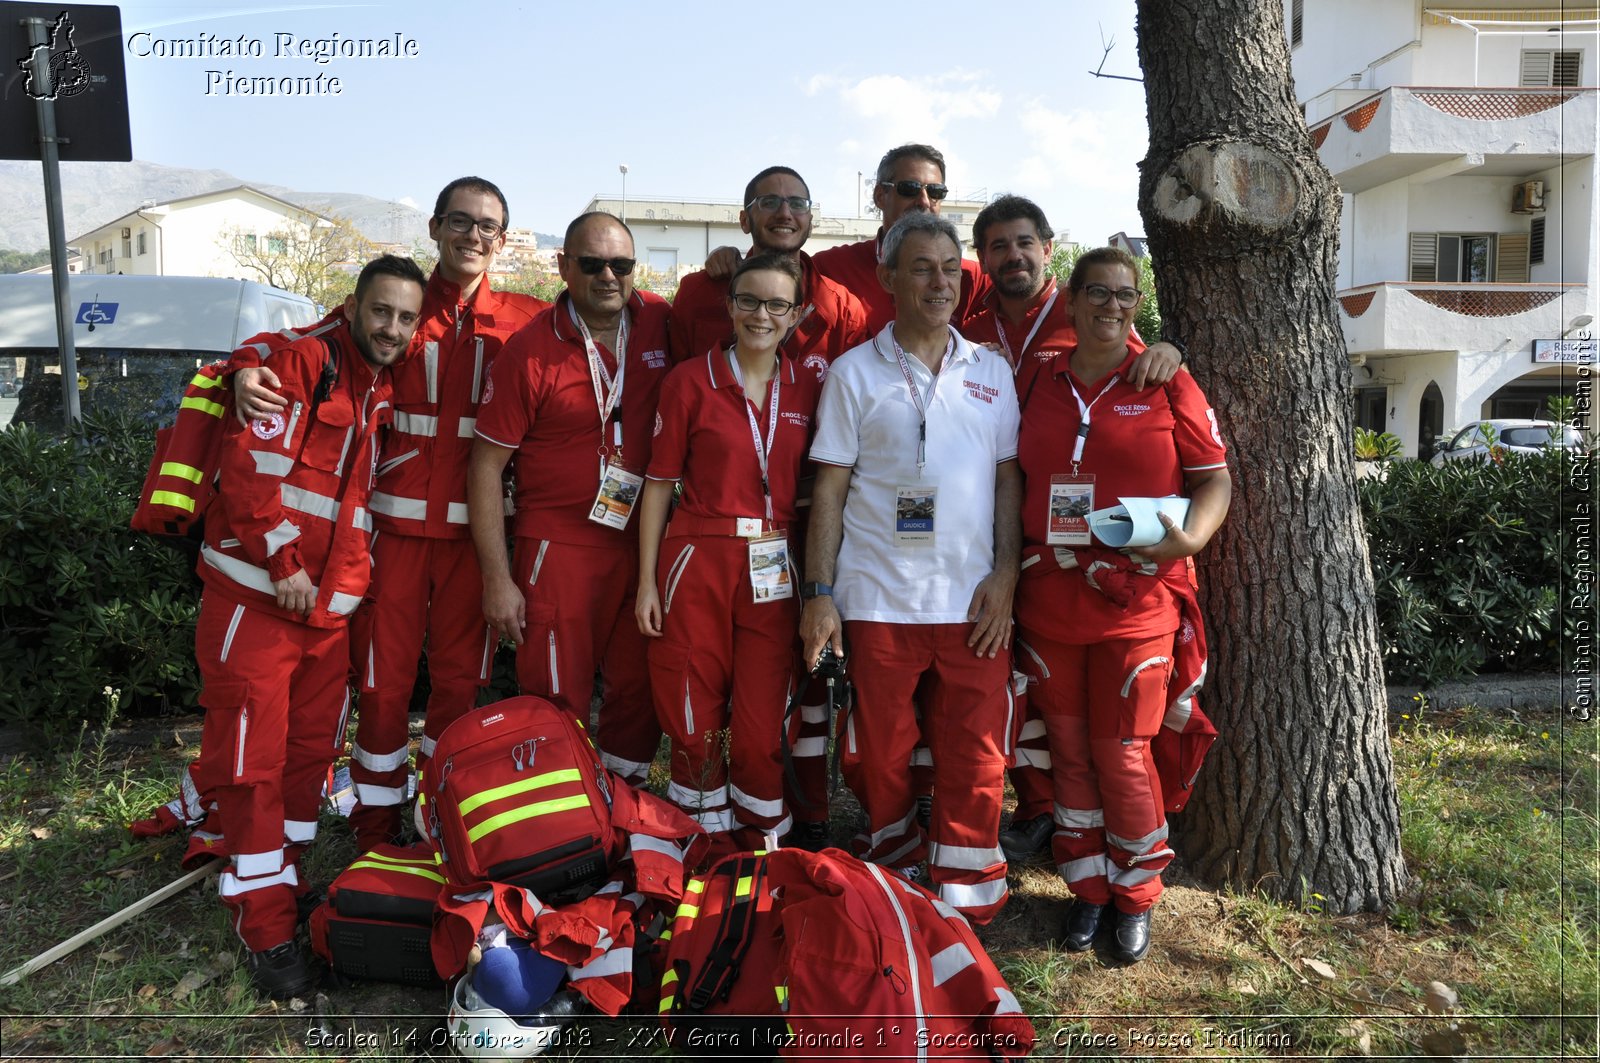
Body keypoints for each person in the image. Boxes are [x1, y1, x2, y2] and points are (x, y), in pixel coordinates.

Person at [233, 178, 550, 851]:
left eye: (487, 225)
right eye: (459, 221)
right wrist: (242, 367)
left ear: (503, 237)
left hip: (477, 542)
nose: (473, 236)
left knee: (460, 687)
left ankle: (444, 818)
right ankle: (375, 826)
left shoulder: (525, 318)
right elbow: (298, 342)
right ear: (435, 228)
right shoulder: (397, 303)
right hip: (391, 535)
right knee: (383, 686)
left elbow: (610, 327)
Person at [189, 254, 426, 998]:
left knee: (306, 762)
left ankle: (283, 888)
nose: (391, 327)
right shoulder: (301, 361)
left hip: (322, 617)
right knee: (251, 768)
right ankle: (264, 929)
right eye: (381, 311)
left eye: (406, 318)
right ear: (354, 306)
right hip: (260, 600)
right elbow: (251, 470)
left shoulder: (375, 385)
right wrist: (283, 560)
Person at [1012, 247, 1230, 963]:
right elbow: (1007, 471)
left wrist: (1189, 538)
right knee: (1071, 754)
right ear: (1070, 301)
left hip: (1136, 601)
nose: (1112, 305)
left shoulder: (1165, 380)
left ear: (1139, 306)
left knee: (1124, 753)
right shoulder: (1035, 377)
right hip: (1049, 597)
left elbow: (1213, 479)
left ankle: (1136, 894)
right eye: (1098, 292)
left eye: (1127, 296)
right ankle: (1087, 887)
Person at [800, 212, 1019, 925]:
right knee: (879, 753)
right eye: (921, 267)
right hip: (878, 595)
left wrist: (1007, 575)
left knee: (978, 751)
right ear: (890, 278)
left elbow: (1010, 480)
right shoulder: (852, 372)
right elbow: (828, 489)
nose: (939, 282)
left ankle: (966, 898)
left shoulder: (991, 372)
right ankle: (893, 876)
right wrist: (821, 593)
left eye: (951, 268)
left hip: (971, 600)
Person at [961, 194, 1184, 864]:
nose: (1012, 256)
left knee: (1099, 724)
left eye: (1024, 242)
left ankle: (1065, 822)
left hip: (1082, 553)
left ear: (1047, 247)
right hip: (993, 531)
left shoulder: (1086, 306)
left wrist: (1170, 348)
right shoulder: (968, 324)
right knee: (1026, 688)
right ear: (982, 260)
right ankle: (1043, 809)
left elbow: (1137, 357)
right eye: (997, 246)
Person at [469, 212, 671, 785]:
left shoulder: (658, 320)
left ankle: (623, 805)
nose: (608, 275)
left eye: (622, 264)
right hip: (558, 548)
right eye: (592, 263)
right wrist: (497, 578)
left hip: (642, 539)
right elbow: (486, 467)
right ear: (563, 267)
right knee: (559, 690)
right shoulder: (530, 350)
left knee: (637, 685)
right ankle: (564, 819)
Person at [636, 254, 822, 850]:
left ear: (795, 315)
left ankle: (764, 842)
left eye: (776, 305)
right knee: (689, 697)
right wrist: (646, 580)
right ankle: (699, 838)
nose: (761, 315)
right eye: (748, 301)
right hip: (699, 553)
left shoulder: (811, 385)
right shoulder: (690, 380)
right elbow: (659, 483)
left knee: (764, 715)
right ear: (729, 305)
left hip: (775, 559)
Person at [668, 165, 868, 369]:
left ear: (810, 224)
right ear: (744, 221)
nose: (784, 213)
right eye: (769, 202)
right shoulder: (697, 293)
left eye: (797, 204)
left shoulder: (844, 311)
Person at [811, 143, 990, 332]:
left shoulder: (971, 277)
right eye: (910, 189)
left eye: (935, 191)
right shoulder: (829, 268)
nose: (924, 201)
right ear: (880, 196)